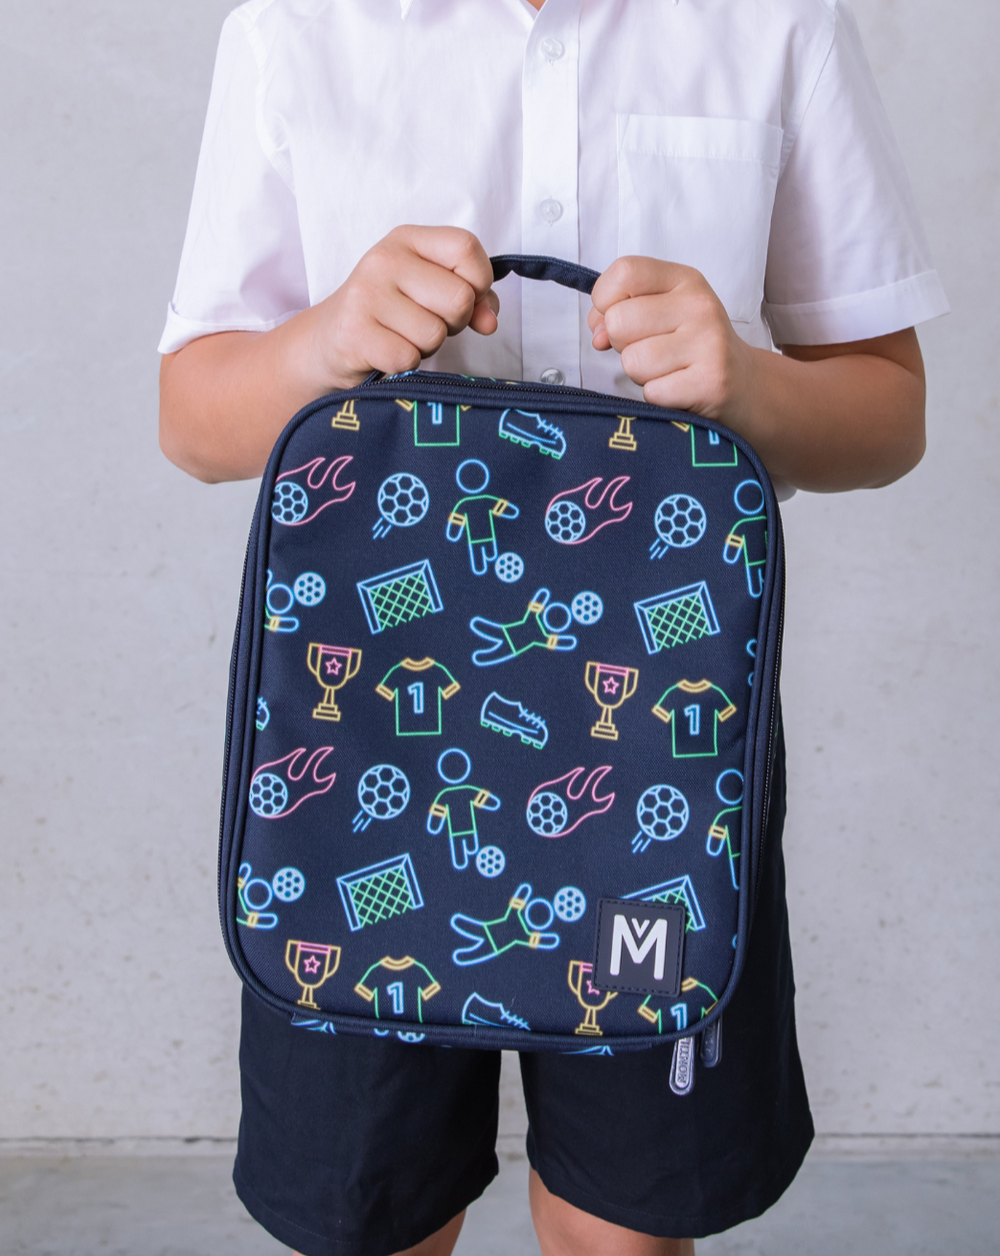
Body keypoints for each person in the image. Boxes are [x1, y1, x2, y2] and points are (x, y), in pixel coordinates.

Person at [157, 2, 947, 1254]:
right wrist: (324, 341)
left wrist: (747, 381)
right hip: (358, 732)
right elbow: (193, 419)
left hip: (664, 734)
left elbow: (887, 415)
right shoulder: (295, 28)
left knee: (626, 1218)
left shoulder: (775, 22)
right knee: (366, 1212)